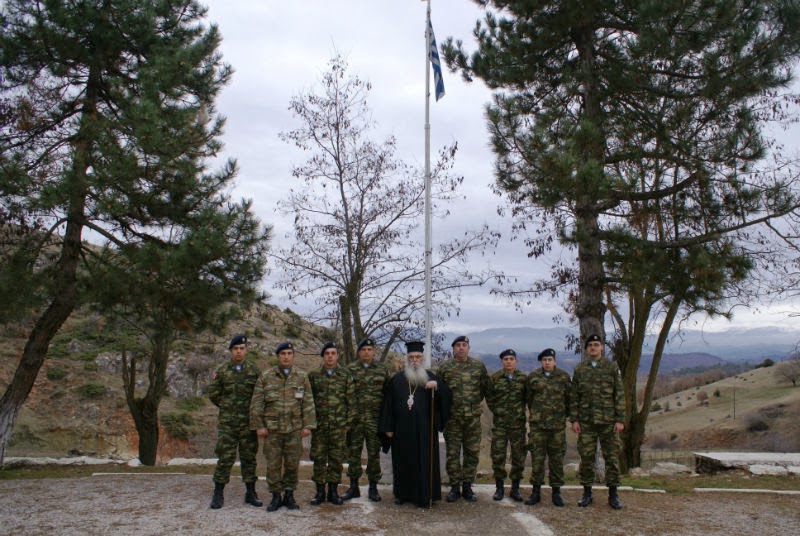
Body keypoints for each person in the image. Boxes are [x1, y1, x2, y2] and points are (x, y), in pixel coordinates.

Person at [379, 341, 451, 507]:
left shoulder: (432, 378)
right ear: (407, 359)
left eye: (418, 357)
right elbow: (387, 405)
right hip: (401, 431)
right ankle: (402, 495)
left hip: (425, 430)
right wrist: (388, 428)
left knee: (424, 463)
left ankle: (425, 495)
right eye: (411, 357)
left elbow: (447, 398)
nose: (414, 360)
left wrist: (438, 387)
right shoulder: (396, 380)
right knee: (402, 462)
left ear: (423, 358)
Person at [250, 341, 316, 512]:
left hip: (294, 430)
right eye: (283, 354)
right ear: (278, 356)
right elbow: (257, 403)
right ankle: (275, 496)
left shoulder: (301, 376)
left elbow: (308, 402)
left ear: (293, 356)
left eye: (289, 353)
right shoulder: (266, 377)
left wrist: (308, 425)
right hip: (272, 431)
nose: (286, 357)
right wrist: (259, 426)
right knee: (273, 465)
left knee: (292, 464)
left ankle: (289, 495)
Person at [207, 334, 262, 509]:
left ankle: (251, 493)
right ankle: (218, 493)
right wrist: (227, 406)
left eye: (241, 349)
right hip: (228, 424)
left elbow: (259, 396)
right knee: (225, 457)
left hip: (248, 424)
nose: (239, 351)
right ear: (231, 351)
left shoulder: (254, 371)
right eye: (235, 349)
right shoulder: (222, 371)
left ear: (245, 350)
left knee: (249, 458)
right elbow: (214, 394)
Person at [570, 334, 625, 509]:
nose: (593, 347)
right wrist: (575, 419)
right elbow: (574, 397)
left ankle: (613, 494)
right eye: (590, 345)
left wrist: (620, 419)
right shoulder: (580, 369)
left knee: (611, 457)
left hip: (608, 422)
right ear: (586, 349)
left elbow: (619, 394)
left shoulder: (611, 367)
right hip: (587, 422)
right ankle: (587, 493)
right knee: (586, 457)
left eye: (596, 344)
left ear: (602, 347)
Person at [436, 335, 488, 502]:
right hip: (453, 419)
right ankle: (454, 487)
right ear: (453, 348)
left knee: (471, 453)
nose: (461, 348)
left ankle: (467, 487)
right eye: (457, 345)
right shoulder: (445, 367)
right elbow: (439, 394)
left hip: (472, 419)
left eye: (464, 345)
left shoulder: (478, 367)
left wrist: (472, 406)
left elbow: (483, 389)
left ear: (468, 348)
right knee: (452, 454)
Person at [341, 337, 390, 502]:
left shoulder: (382, 370)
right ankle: (353, 486)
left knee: (373, 454)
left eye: (370, 349)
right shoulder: (350, 370)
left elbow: (388, 397)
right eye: (364, 350)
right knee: (353, 454)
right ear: (359, 352)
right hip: (355, 421)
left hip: (374, 421)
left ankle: (373, 487)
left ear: (373, 351)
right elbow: (344, 396)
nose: (367, 352)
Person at [308, 341, 353, 506]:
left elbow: (351, 400)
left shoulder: (345, 375)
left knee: (336, 459)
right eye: (327, 353)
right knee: (319, 458)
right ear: (323, 356)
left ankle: (333, 492)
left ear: (337, 355)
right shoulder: (313, 376)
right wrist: (310, 422)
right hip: (319, 426)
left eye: (333, 353)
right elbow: (308, 401)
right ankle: (320, 492)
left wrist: (348, 422)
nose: (330, 356)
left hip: (338, 426)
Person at [526, 348, 572, 507]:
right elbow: (529, 399)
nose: (547, 363)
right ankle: (536, 492)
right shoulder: (533, 378)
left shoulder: (564, 377)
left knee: (557, 459)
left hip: (557, 427)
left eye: (550, 360)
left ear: (555, 361)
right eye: (544, 360)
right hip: (538, 426)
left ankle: (556, 492)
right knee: (537, 459)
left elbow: (569, 400)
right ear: (541, 362)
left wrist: (563, 416)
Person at [486, 348, 527, 502]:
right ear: (502, 362)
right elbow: (490, 398)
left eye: (511, 359)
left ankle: (515, 488)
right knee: (498, 456)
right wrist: (498, 411)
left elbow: (527, 398)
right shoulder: (495, 378)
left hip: (518, 425)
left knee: (518, 457)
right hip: (500, 425)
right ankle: (499, 488)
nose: (509, 361)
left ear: (515, 361)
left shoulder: (523, 378)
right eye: (506, 359)